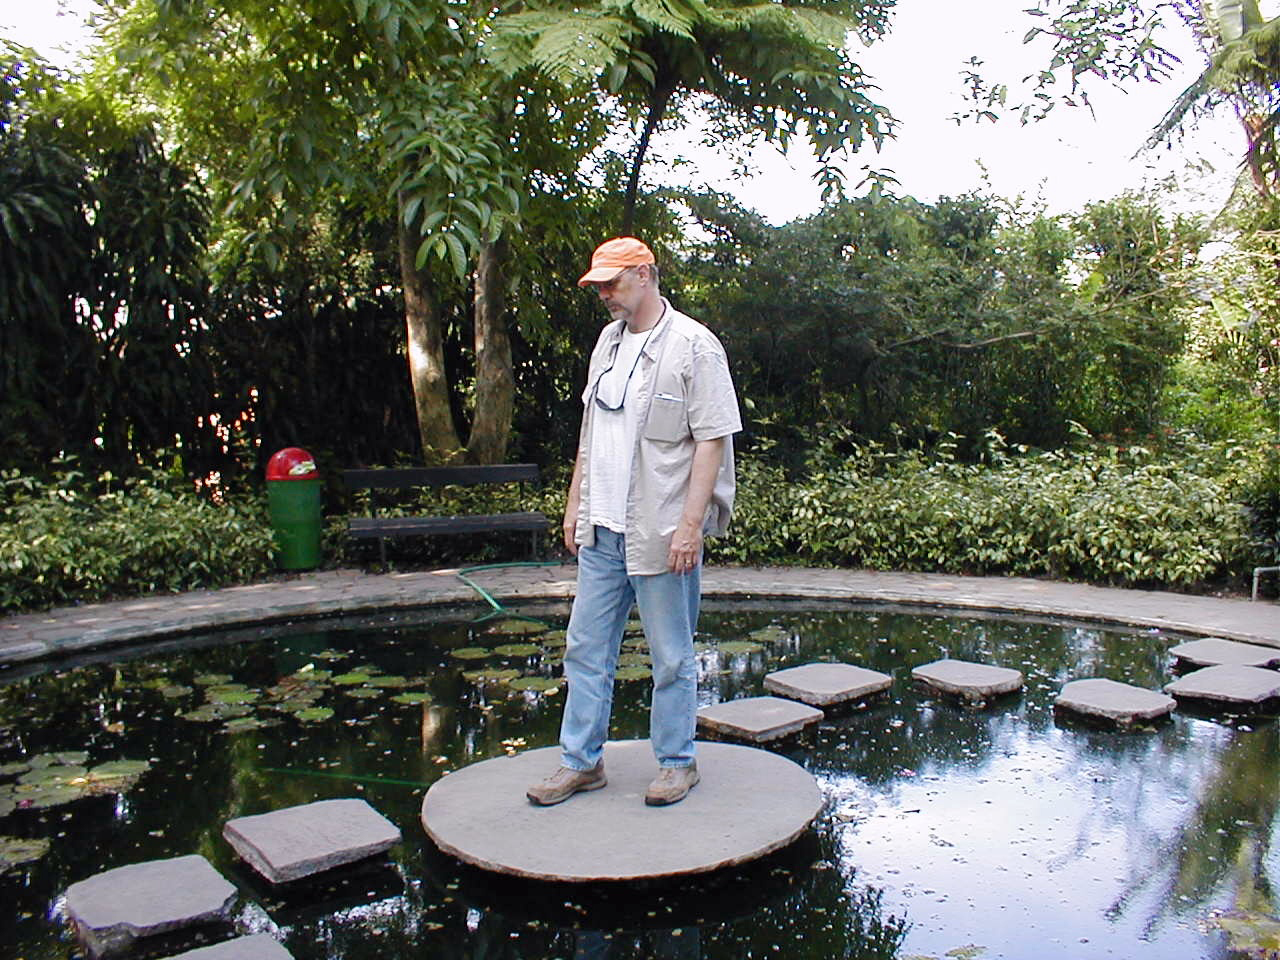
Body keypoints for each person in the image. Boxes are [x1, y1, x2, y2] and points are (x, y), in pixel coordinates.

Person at [527, 236, 742, 807]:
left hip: (660, 531)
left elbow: (712, 441)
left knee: (671, 655)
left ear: (645, 274)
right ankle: (581, 763)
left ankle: (676, 763)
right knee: (585, 648)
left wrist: (690, 527)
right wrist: (575, 503)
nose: (604, 294)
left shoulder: (695, 346)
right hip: (603, 529)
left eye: (612, 283)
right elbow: (590, 431)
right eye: (598, 286)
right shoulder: (607, 343)